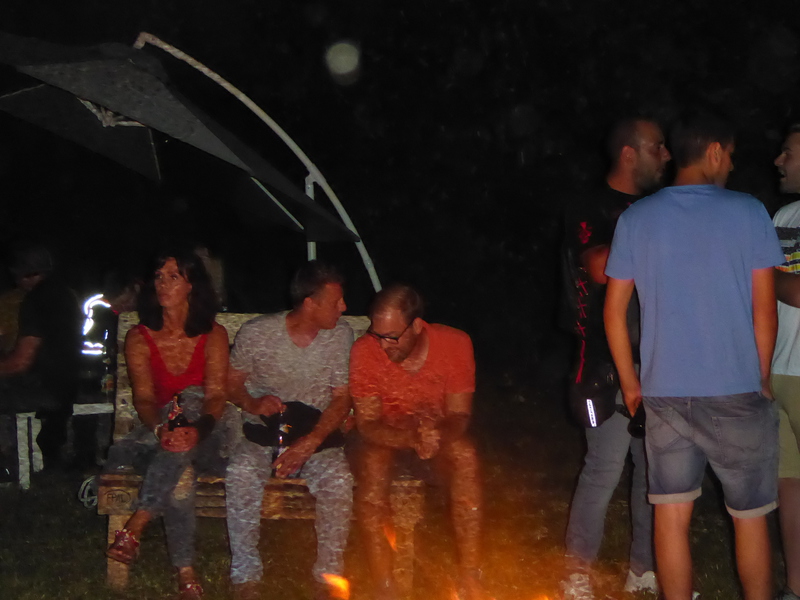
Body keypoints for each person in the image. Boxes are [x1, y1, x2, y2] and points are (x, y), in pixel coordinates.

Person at [604, 112, 783, 600]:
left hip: (665, 393)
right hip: (736, 389)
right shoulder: (748, 212)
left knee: (670, 516)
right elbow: (764, 310)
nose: (732, 165)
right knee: (749, 517)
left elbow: (613, 312)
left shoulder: (637, 219)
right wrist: (762, 377)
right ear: (715, 152)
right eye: (731, 155)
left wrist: (632, 385)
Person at [560, 117, 670, 599]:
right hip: (603, 364)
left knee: (652, 472)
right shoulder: (590, 205)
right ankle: (576, 572)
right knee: (603, 467)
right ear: (629, 153)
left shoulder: (660, 208)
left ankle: (642, 569)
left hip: (660, 358)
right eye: (657, 147)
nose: (667, 156)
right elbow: (602, 268)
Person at [104, 250, 230, 600]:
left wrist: (196, 430)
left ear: (192, 285)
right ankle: (186, 574)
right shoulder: (140, 337)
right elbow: (144, 400)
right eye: (159, 276)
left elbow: (216, 397)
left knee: (192, 399)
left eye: (174, 277)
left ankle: (136, 524)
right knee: (181, 478)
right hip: (162, 435)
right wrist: (162, 430)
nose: (163, 284)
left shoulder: (213, 335)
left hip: (206, 433)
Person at [225, 261, 354, 600]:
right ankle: (245, 575)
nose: (344, 307)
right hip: (264, 433)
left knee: (338, 481)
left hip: (317, 433)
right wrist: (252, 403)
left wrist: (311, 442)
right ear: (309, 303)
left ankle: (328, 576)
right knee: (241, 472)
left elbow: (342, 399)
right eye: (336, 301)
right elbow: (231, 383)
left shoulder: (340, 335)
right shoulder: (257, 333)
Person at [349, 284, 483, 600]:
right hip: (384, 436)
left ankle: (471, 575)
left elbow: (460, 415)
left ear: (418, 325)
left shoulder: (454, 343)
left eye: (392, 337)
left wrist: (438, 436)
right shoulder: (365, 350)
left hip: (433, 433)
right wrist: (410, 438)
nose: (383, 344)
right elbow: (367, 424)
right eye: (377, 334)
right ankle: (384, 585)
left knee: (465, 455)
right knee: (373, 463)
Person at [0, 243, 81, 472]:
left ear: (20, 274)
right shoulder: (67, 295)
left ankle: (6, 464)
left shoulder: (34, 301)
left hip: (44, 388)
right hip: (68, 385)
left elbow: (21, 362)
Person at [769, 125, 800, 600]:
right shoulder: (783, 216)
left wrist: (764, 276)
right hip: (777, 371)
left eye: (788, 153)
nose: (778, 160)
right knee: (787, 484)